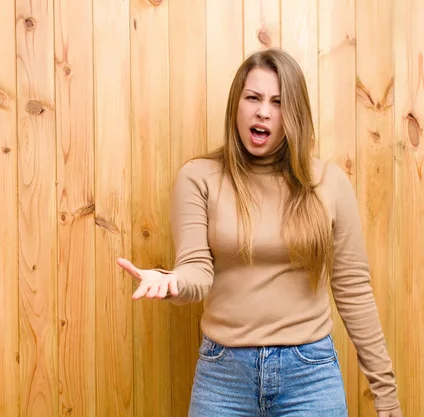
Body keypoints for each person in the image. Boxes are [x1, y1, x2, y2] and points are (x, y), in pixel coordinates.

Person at [116, 48, 402, 417]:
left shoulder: (328, 182)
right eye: (253, 98)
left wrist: (386, 395)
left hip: (310, 376)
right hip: (223, 377)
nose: (263, 111)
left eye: (278, 102)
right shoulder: (199, 177)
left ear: (293, 114)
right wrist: (172, 281)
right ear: (237, 105)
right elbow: (197, 270)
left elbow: (354, 289)